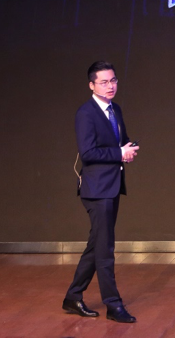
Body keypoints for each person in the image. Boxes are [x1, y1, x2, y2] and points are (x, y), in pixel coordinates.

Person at [62, 61, 139, 323]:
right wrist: (118, 153)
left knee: (97, 244)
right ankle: (113, 305)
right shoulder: (86, 113)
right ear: (91, 85)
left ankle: (73, 296)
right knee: (105, 249)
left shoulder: (115, 109)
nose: (110, 86)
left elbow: (119, 142)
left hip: (112, 185)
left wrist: (127, 149)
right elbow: (88, 153)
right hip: (96, 190)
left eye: (113, 80)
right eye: (104, 82)